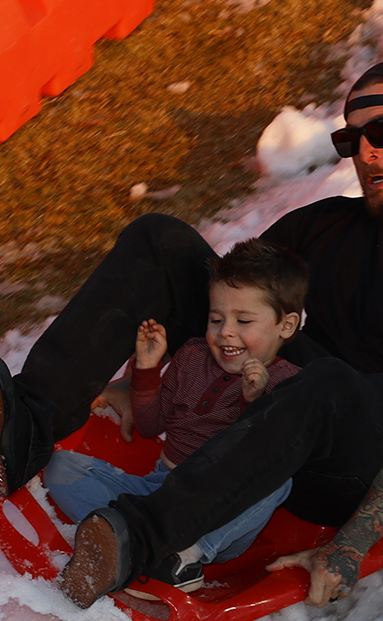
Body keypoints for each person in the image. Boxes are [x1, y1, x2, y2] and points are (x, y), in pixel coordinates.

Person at [0, 59, 383, 610]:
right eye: (351, 139)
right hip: (265, 409)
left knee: (328, 381)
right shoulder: (326, 224)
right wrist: (142, 379)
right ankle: (24, 428)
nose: (365, 151)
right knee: (163, 242)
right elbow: (224, 300)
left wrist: (351, 544)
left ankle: (139, 539)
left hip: (354, 464)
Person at [40, 239, 306, 600]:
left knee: (279, 481)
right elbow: (151, 427)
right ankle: (128, 542)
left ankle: (182, 558)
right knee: (59, 468)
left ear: (286, 326)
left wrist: (252, 402)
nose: (225, 331)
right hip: (161, 491)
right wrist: (147, 371)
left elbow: (256, 457)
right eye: (216, 318)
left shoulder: (287, 383)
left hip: (217, 515)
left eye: (243, 320)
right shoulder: (193, 356)